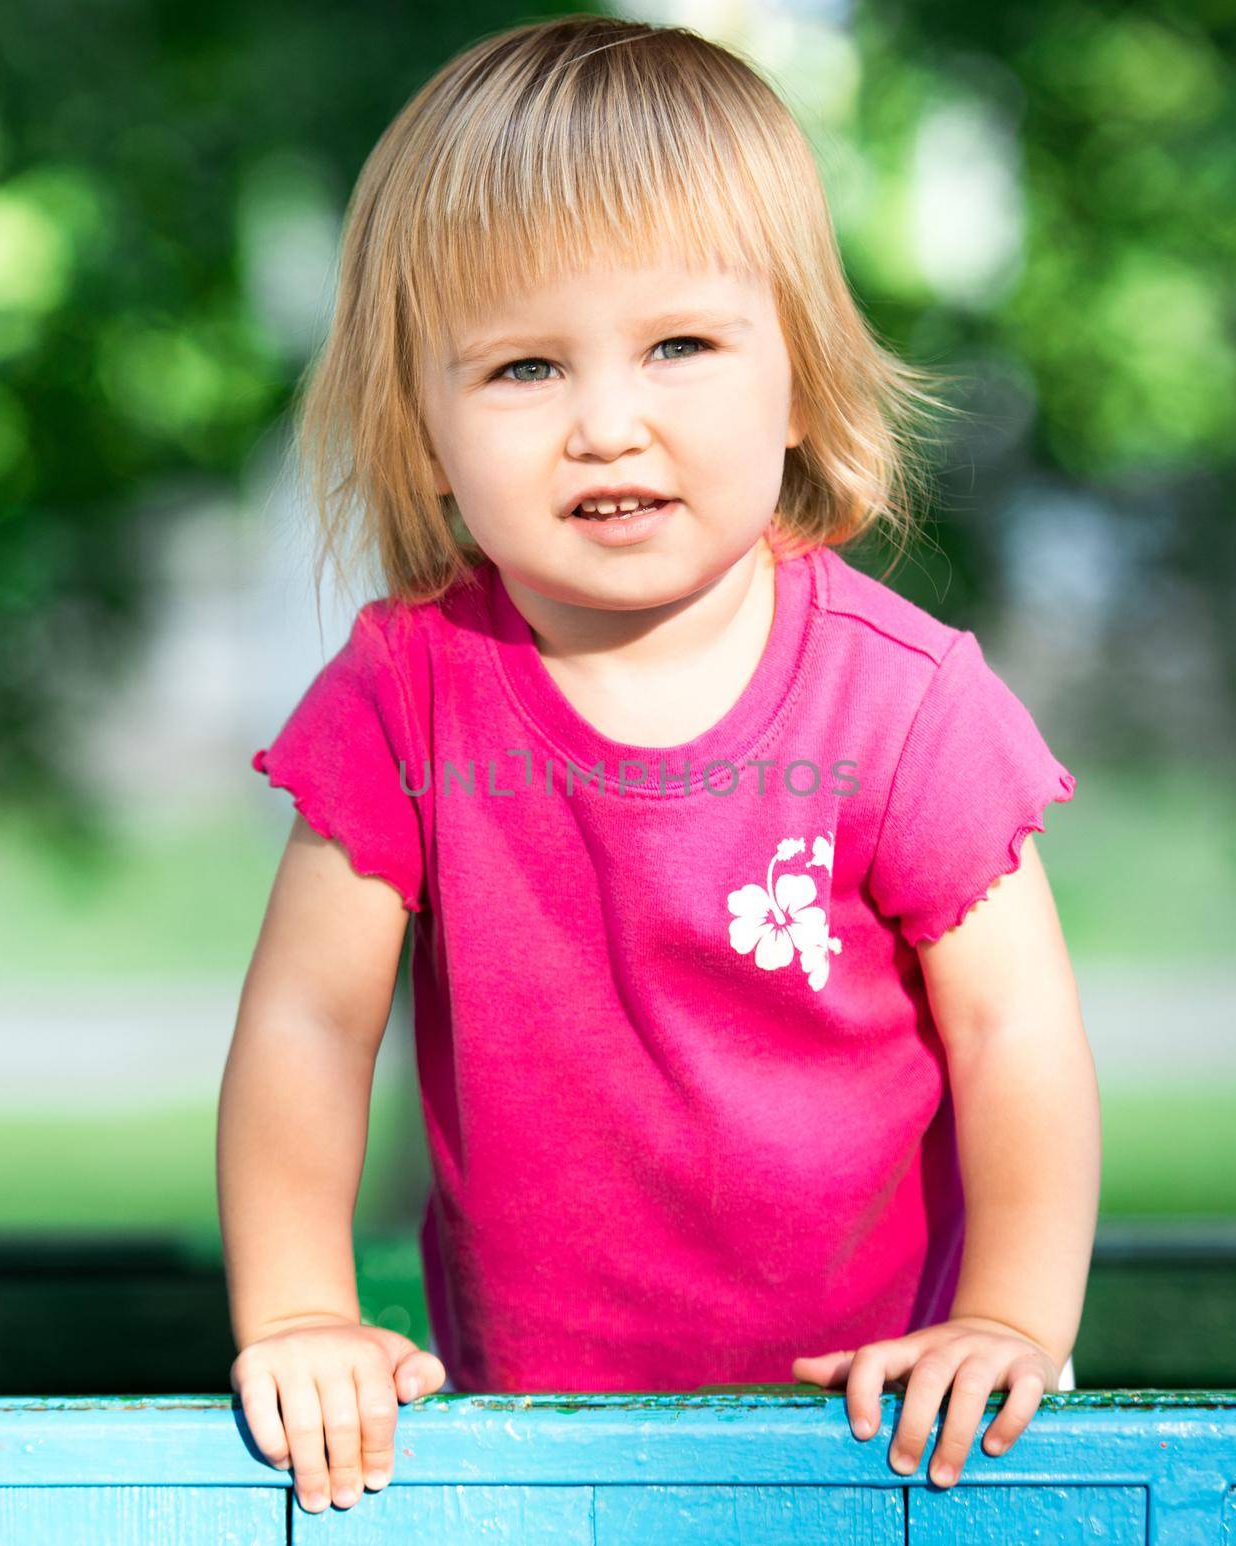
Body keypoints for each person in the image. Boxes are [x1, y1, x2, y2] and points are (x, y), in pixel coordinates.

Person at [216, 13, 1099, 1519]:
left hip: (876, 1437)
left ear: (801, 379)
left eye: (679, 346)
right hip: (528, 1442)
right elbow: (307, 1020)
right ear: (422, 430)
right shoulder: (411, 692)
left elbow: (1016, 1029)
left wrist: (1011, 1316)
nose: (607, 423)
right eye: (523, 368)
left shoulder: (901, 704)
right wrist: (299, 1312)